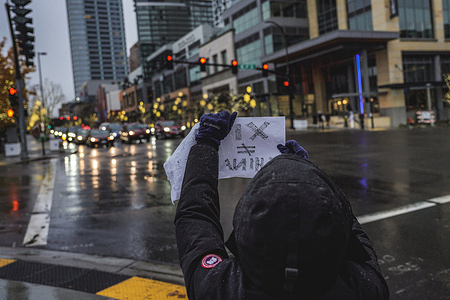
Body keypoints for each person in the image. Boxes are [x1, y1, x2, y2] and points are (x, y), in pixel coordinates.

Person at [174, 111, 389, 300]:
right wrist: (307, 172)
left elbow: (195, 216)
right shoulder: (366, 288)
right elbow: (348, 226)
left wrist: (206, 144)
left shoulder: (221, 288)